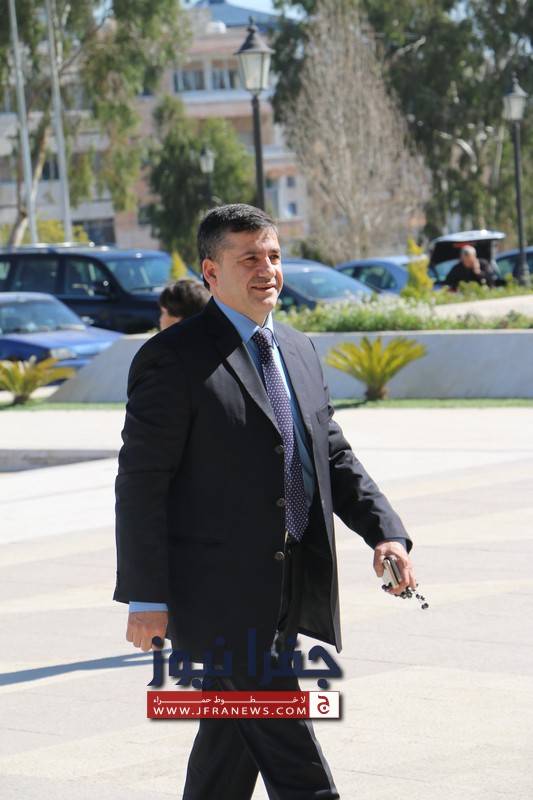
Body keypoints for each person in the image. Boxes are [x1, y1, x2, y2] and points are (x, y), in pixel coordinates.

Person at [114, 204, 416, 800]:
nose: (267, 269)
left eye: (274, 256)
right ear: (211, 271)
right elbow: (141, 483)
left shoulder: (297, 348)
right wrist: (146, 597)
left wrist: (385, 531)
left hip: (288, 582)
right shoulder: (172, 357)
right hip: (217, 596)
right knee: (292, 755)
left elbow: (330, 453)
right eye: (249, 257)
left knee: (228, 749)